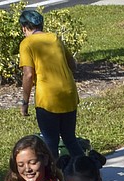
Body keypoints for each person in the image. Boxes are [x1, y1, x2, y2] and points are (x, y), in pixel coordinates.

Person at [18, 9, 83, 160]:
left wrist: (24, 102)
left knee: (50, 142)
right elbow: (72, 65)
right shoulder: (54, 38)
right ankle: (87, 171)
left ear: (24, 28)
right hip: (69, 93)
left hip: (48, 98)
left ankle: (55, 178)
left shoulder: (26, 43)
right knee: (70, 139)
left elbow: (28, 74)